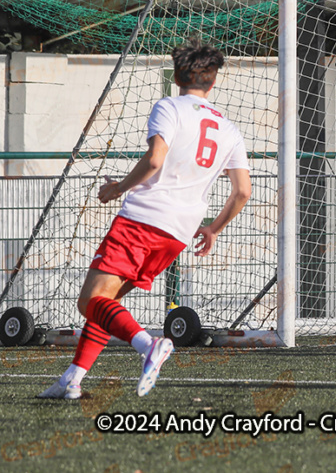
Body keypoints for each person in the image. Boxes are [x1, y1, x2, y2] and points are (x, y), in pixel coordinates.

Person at [39, 37, 252, 399]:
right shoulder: (229, 130)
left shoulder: (170, 106)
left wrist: (117, 188)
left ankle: (148, 346)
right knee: (107, 305)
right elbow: (243, 191)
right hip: (177, 234)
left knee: (89, 302)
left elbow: (155, 160)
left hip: (143, 220)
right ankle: (72, 379)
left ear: (177, 76)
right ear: (213, 81)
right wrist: (213, 229)